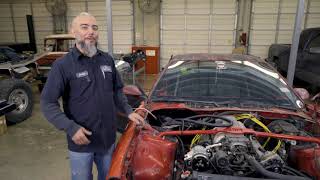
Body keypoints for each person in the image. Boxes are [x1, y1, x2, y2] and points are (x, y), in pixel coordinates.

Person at [40, 12, 144, 180]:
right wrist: (70, 128)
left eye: (95, 28)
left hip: (107, 140)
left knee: (108, 176)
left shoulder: (107, 60)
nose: (91, 32)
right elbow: (47, 103)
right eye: (84, 27)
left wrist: (128, 110)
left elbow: (117, 89)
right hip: (81, 142)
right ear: (73, 32)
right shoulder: (63, 65)